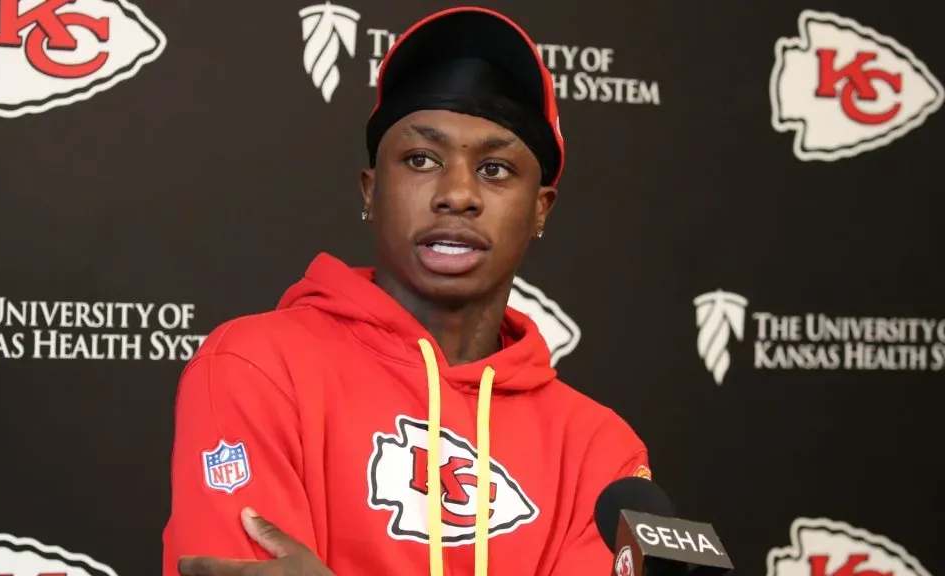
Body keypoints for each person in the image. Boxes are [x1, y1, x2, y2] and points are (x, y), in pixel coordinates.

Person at [163, 6, 650, 576]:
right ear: (372, 191)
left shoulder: (599, 451)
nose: (458, 194)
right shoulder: (258, 369)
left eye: (495, 169)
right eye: (421, 159)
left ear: (539, 209)